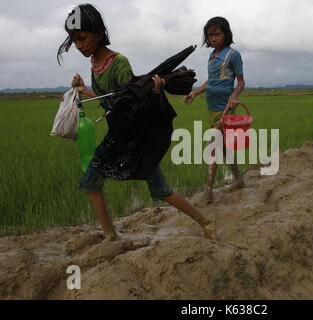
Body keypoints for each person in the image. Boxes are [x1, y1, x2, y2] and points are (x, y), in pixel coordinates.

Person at [57, 4, 215, 241]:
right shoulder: (95, 64)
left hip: (134, 139)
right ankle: (110, 235)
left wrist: (154, 92)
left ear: (98, 33)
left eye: (81, 38)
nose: (78, 45)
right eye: (74, 41)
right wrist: (84, 91)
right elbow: (113, 99)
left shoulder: (119, 63)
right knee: (91, 182)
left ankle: (205, 221)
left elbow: (131, 102)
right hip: (118, 136)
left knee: (160, 190)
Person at [182, 16, 245, 204]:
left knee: (213, 145)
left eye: (217, 34)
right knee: (223, 148)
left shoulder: (233, 55)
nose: (213, 39)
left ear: (226, 34)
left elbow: (241, 82)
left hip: (225, 108)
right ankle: (239, 179)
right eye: (209, 36)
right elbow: (210, 81)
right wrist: (195, 93)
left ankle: (208, 190)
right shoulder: (212, 56)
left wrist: (235, 96)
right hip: (211, 107)